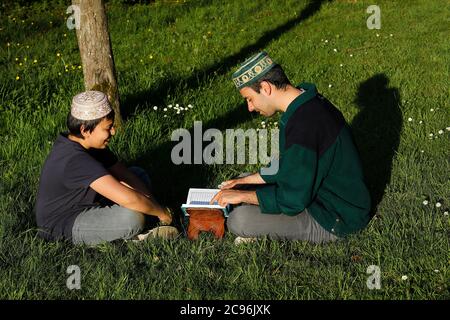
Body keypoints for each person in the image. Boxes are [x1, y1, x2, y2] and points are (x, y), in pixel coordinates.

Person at [211, 51, 371, 244]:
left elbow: (293, 199)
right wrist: (248, 180)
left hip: (334, 216)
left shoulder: (305, 124)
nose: (250, 108)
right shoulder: (307, 103)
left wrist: (244, 195)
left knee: (239, 219)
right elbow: (292, 163)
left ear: (265, 87)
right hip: (318, 193)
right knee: (240, 182)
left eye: (249, 99)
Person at [35, 90, 177, 245]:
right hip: (64, 225)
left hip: (89, 203)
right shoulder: (75, 160)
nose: (113, 132)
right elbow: (130, 198)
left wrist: (153, 206)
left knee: (138, 175)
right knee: (132, 218)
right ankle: (135, 238)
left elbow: (125, 175)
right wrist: (163, 213)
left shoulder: (88, 144)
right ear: (84, 129)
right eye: (108, 128)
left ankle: (135, 221)